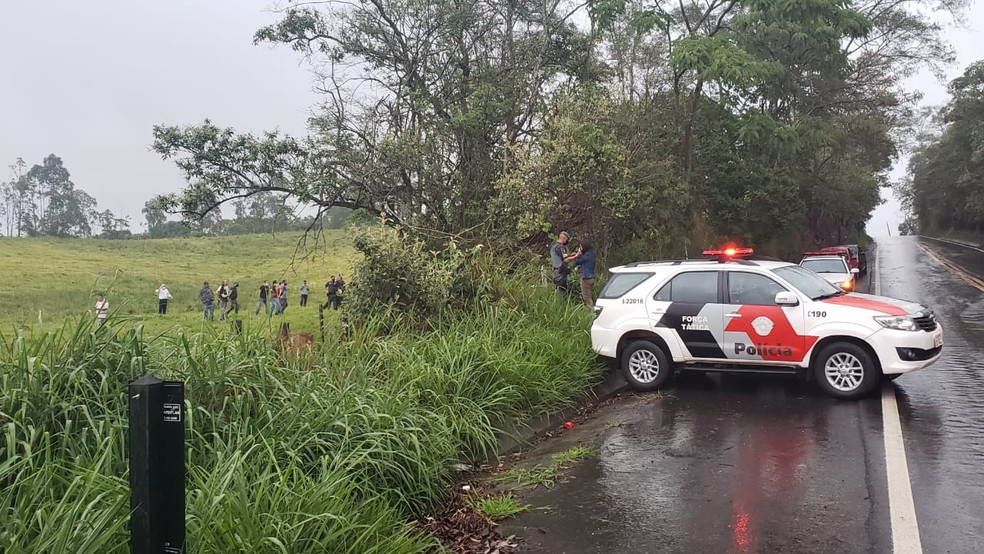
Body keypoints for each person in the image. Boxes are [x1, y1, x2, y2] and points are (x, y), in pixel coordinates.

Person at [550, 231, 580, 297]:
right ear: (563, 238)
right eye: (566, 240)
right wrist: (576, 256)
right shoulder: (561, 247)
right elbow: (565, 260)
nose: (567, 241)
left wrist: (570, 255)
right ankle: (563, 304)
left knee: (557, 290)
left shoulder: (553, 246)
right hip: (561, 272)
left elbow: (560, 257)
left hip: (555, 272)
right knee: (563, 291)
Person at [573, 240, 597, 308]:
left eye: (580, 247)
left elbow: (577, 262)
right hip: (592, 277)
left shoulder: (585, 256)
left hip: (586, 278)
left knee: (586, 297)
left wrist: (578, 254)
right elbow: (586, 265)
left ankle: (591, 312)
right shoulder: (591, 255)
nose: (580, 249)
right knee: (589, 295)